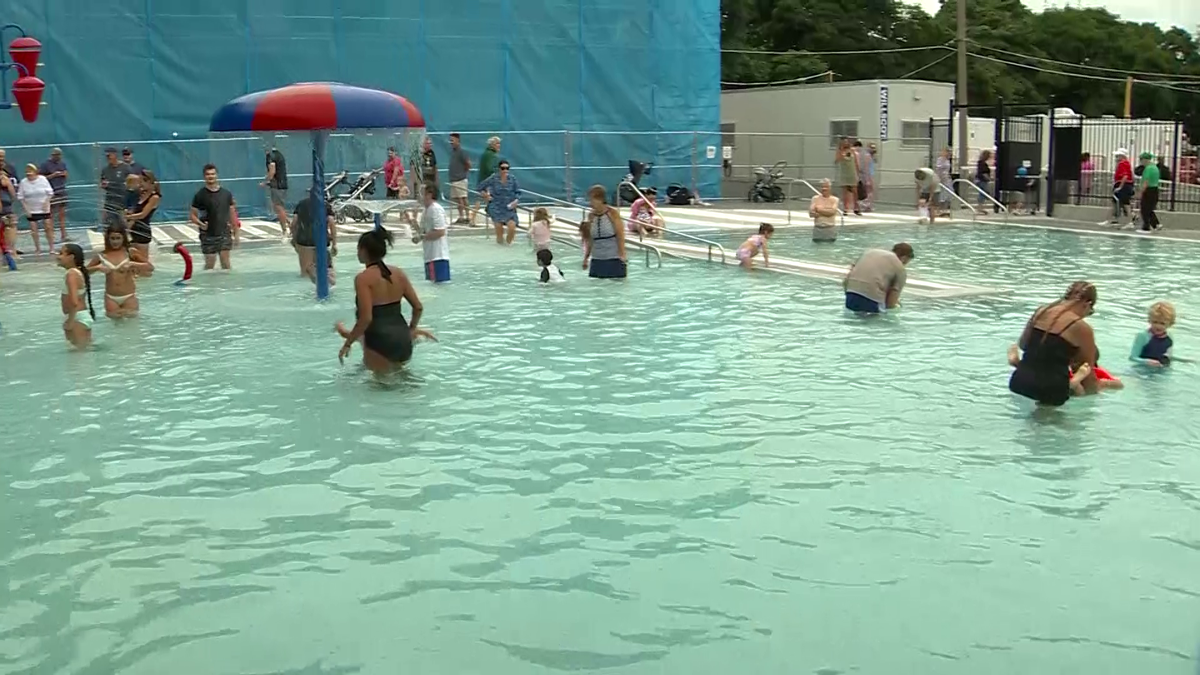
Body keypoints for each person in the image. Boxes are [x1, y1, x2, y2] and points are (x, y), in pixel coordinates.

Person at [335, 227, 436, 375]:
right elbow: (418, 307)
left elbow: (366, 318)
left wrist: (347, 344)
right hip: (403, 340)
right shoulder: (398, 273)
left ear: (363, 251)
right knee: (403, 383)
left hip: (378, 340)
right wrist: (411, 330)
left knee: (378, 389)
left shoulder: (363, 278)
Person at [1008, 281, 1100, 406]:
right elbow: (1087, 373)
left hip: (1019, 382)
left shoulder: (1041, 311)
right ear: (1087, 304)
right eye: (1090, 312)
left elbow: (1024, 345)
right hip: (1051, 391)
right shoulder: (1082, 328)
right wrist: (1094, 400)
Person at [89, 224, 153, 318]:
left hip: (129, 296)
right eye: (112, 238)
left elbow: (150, 267)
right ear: (108, 239)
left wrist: (133, 264)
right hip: (111, 298)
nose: (115, 241)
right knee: (115, 328)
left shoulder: (130, 252)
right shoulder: (101, 255)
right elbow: (84, 272)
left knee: (131, 326)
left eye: (118, 238)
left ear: (123, 238)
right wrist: (97, 268)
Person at [1007, 345, 1122, 395]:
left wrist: (1103, 383)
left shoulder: (1097, 372)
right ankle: (1017, 363)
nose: (1074, 365)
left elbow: (1119, 384)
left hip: (1074, 389)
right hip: (1067, 388)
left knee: (1081, 390)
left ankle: (1018, 364)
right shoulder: (1066, 371)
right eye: (1073, 362)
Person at [189, 164, 237, 270]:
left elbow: (233, 214)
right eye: (208, 174)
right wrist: (201, 225)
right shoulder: (199, 195)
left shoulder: (226, 194)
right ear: (204, 176)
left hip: (224, 233)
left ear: (217, 175)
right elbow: (192, 215)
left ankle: (227, 285)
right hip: (208, 234)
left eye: (213, 174)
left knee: (226, 263)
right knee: (210, 264)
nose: (210, 176)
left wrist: (236, 233)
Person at [843, 243, 913, 314]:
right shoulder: (900, 269)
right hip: (872, 299)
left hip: (851, 293)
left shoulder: (870, 252)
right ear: (904, 258)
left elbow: (847, 278)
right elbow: (890, 304)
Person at [290, 188, 338, 284]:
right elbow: (332, 223)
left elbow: (294, 224)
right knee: (327, 270)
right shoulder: (325, 205)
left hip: (304, 240)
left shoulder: (301, 204)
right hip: (321, 239)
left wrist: (294, 239)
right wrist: (334, 244)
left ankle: (309, 286)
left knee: (305, 272)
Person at [581, 185, 627, 279]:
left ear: (600, 199)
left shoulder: (612, 214)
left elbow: (620, 235)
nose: (590, 203)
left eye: (592, 200)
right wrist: (586, 258)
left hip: (613, 258)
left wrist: (622, 254)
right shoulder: (591, 216)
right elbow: (590, 240)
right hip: (597, 259)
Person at [58, 243, 95, 349]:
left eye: (61, 253)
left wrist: (70, 321)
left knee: (79, 356)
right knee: (83, 353)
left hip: (76, 318)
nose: (58, 256)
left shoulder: (71, 274)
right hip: (80, 316)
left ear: (71, 257)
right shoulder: (76, 272)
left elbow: (74, 301)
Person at [478, 159, 521, 245]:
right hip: (496, 206)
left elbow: (518, 192)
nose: (505, 170)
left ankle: (508, 245)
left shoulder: (512, 179)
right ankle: (500, 246)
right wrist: (486, 195)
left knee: (512, 227)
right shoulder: (493, 178)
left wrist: (516, 201)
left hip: (509, 206)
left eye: (507, 168)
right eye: (503, 168)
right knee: (499, 229)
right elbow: (480, 187)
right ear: (499, 169)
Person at [17, 163, 55, 254]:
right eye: (27, 172)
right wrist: (26, 209)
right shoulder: (23, 182)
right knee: (34, 229)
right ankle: (37, 248)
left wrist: (46, 203)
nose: (29, 174)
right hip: (31, 209)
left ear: (35, 172)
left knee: (48, 226)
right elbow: (21, 197)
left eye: (30, 172)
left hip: (43, 208)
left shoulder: (43, 179)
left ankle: (52, 248)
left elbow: (50, 193)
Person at [417, 184, 450, 283]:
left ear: (429, 195)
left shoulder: (435, 209)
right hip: (430, 255)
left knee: (439, 285)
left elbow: (440, 231)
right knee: (433, 284)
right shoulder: (426, 210)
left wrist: (423, 236)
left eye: (421, 193)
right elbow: (423, 231)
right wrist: (412, 222)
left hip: (438, 256)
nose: (418, 195)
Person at [126, 170, 161, 263]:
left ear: (149, 182)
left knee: (143, 262)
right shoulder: (141, 194)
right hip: (133, 229)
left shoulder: (154, 197)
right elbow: (129, 179)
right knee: (132, 260)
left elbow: (143, 215)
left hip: (142, 231)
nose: (140, 184)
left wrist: (128, 217)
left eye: (142, 182)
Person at [1130, 301, 1175, 367]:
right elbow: (1132, 358)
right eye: (1155, 322)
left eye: (1162, 323)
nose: (1158, 326)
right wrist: (1146, 362)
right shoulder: (1142, 336)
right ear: (1149, 321)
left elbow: (1168, 356)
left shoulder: (1169, 337)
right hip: (1141, 369)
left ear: (1170, 324)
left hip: (1161, 369)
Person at [39, 147, 69, 243]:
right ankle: (51, 236)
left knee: (62, 214)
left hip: (62, 190)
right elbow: (41, 178)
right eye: (56, 155)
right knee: (50, 215)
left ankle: (64, 235)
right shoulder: (45, 165)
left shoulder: (62, 163)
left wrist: (64, 174)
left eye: (59, 155)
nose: (58, 157)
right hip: (51, 192)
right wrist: (53, 175)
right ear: (52, 155)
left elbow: (66, 174)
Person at [99, 147, 131, 228]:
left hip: (123, 199)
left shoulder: (125, 167)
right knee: (110, 223)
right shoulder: (105, 170)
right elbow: (102, 182)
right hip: (110, 199)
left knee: (123, 222)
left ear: (115, 155)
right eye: (107, 156)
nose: (108, 157)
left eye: (110, 155)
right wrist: (103, 185)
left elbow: (132, 181)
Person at [473, 136, 500, 225]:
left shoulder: (486, 153)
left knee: (480, 200)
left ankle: (472, 219)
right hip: (487, 182)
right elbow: (489, 169)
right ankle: (494, 219)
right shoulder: (491, 155)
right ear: (492, 145)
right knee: (491, 200)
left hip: (483, 181)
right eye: (497, 143)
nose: (499, 145)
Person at [263, 146, 289, 233]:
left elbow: (272, 171)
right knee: (279, 207)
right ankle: (289, 225)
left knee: (278, 207)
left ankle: (285, 230)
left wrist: (265, 181)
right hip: (281, 184)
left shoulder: (271, 156)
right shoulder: (279, 154)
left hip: (277, 185)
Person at [447, 133, 472, 224]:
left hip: (460, 179)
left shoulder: (462, 152)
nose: (451, 142)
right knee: (458, 200)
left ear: (458, 141)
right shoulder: (453, 152)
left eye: (452, 140)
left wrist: (462, 172)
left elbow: (468, 164)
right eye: (450, 140)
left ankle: (467, 216)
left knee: (463, 198)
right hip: (454, 179)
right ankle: (461, 216)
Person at [1135, 152, 1161, 232]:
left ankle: (1146, 227)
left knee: (1144, 209)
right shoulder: (1155, 167)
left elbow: (1145, 181)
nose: (1140, 162)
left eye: (1141, 160)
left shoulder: (1148, 168)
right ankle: (1156, 224)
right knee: (1149, 209)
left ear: (1145, 160)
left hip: (1149, 190)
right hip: (1155, 189)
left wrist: (1140, 192)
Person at [834, 138, 860, 215]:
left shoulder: (852, 151)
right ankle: (846, 208)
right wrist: (841, 153)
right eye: (843, 142)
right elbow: (836, 161)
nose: (845, 143)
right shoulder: (839, 151)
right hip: (844, 173)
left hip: (852, 173)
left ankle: (856, 207)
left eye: (846, 142)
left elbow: (856, 162)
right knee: (845, 192)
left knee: (855, 191)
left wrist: (858, 173)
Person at [1109, 149, 1134, 224]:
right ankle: (1114, 219)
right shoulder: (1124, 163)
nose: (1116, 158)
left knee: (1125, 203)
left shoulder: (1123, 164)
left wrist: (1120, 187)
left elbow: (1125, 176)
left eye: (1118, 156)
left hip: (1123, 185)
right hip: (1123, 184)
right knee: (1117, 202)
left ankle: (1130, 220)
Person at [1, 158, 16, 256]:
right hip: (5, 203)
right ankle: (10, 251)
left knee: (10, 226)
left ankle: (12, 251)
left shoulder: (5, 178)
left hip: (6, 204)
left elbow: (13, 194)